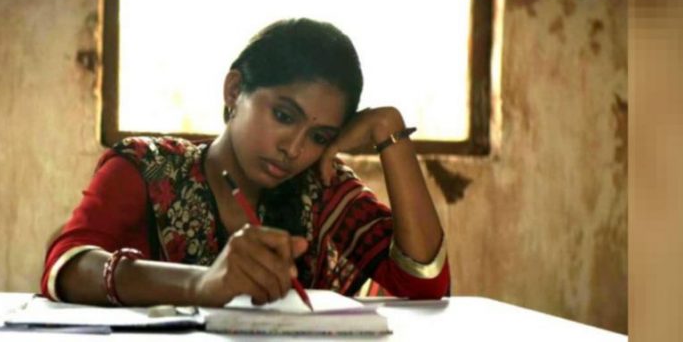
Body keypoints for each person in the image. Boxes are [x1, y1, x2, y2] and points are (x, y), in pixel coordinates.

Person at [40, 18, 449, 307]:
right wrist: (200, 285)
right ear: (235, 90)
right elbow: (65, 267)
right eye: (284, 116)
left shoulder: (323, 190)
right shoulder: (146, 169)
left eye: (319, 137)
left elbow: (424, 286)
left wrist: (389, 130)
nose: (294, 149)